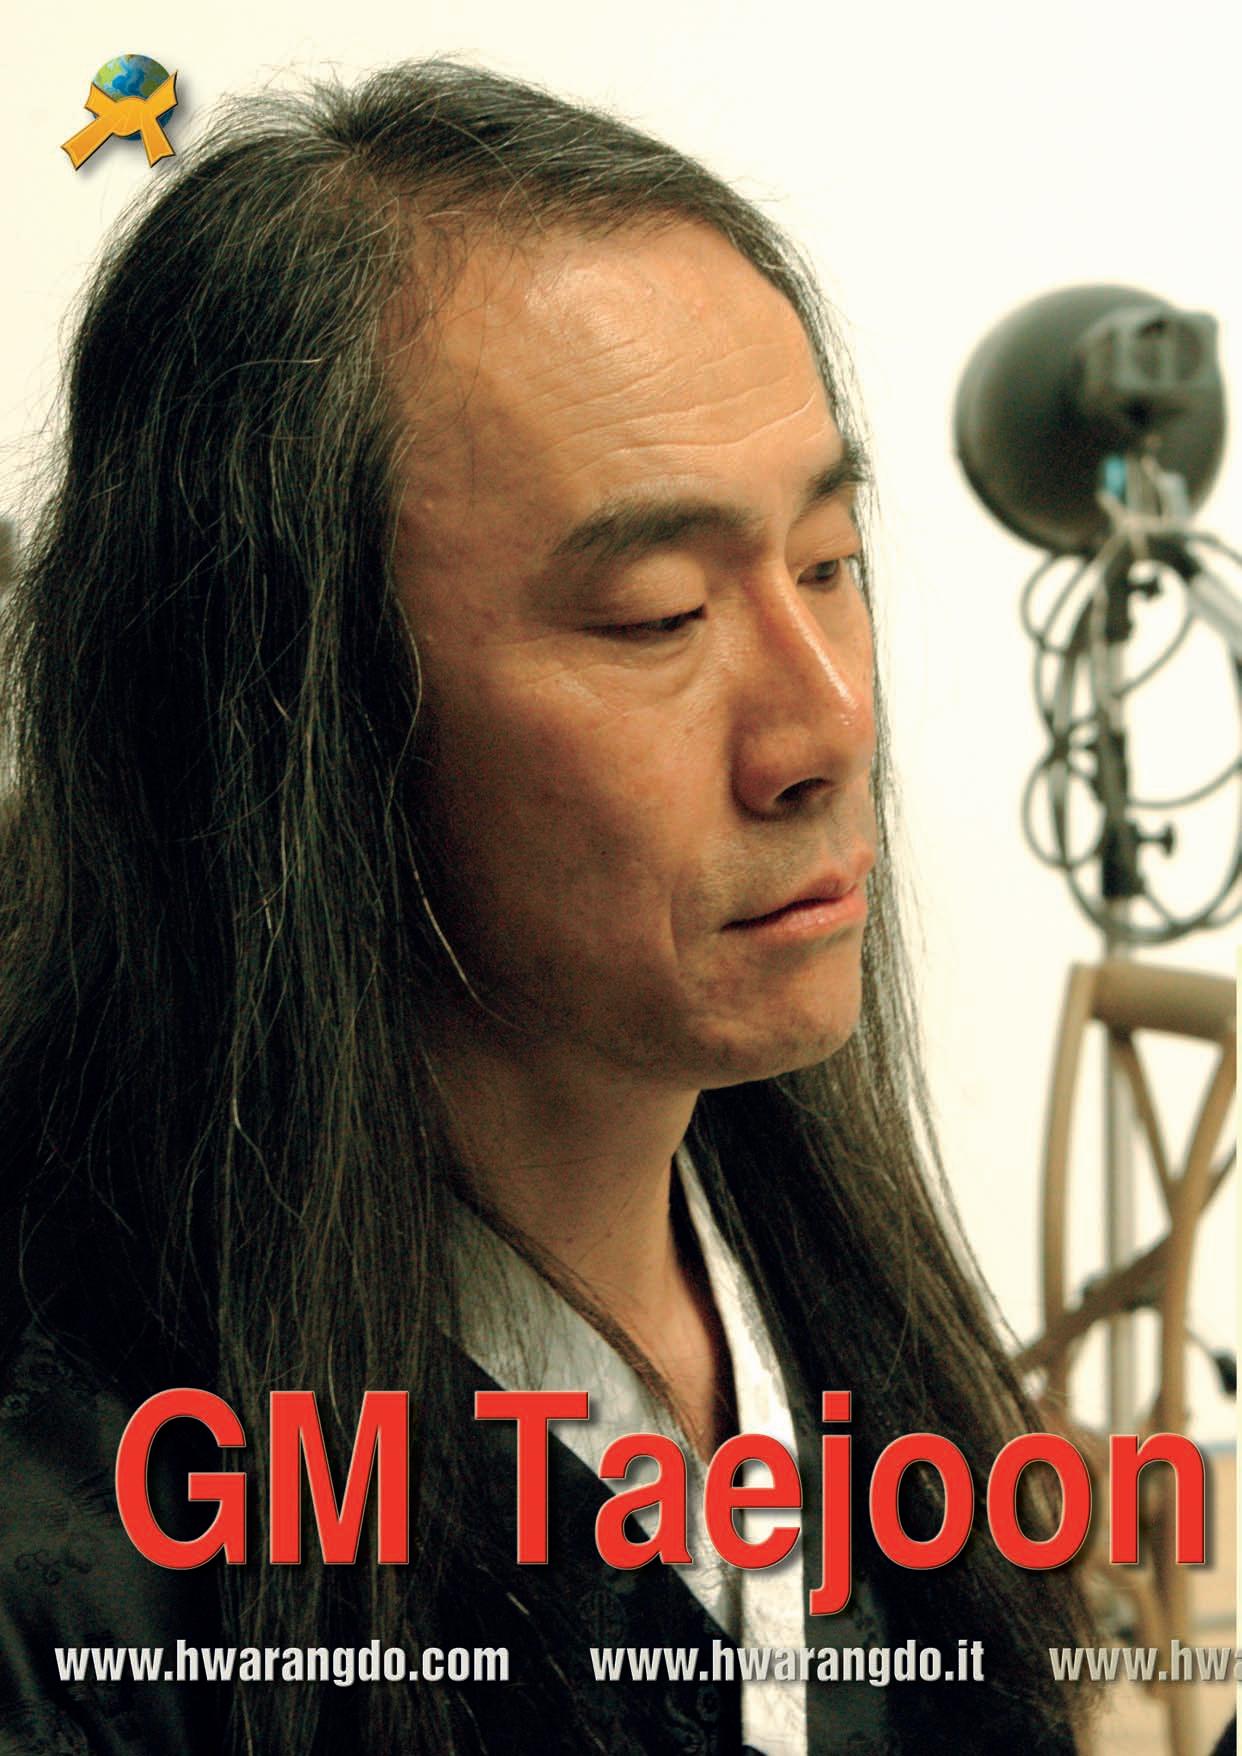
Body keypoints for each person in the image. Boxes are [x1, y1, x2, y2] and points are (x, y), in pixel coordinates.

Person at [0, 60, 1096, 1754]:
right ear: (286, 717)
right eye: (657, 615)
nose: (826, 728)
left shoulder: (836, 1329)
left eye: (828, 565)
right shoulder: (84, 1565)